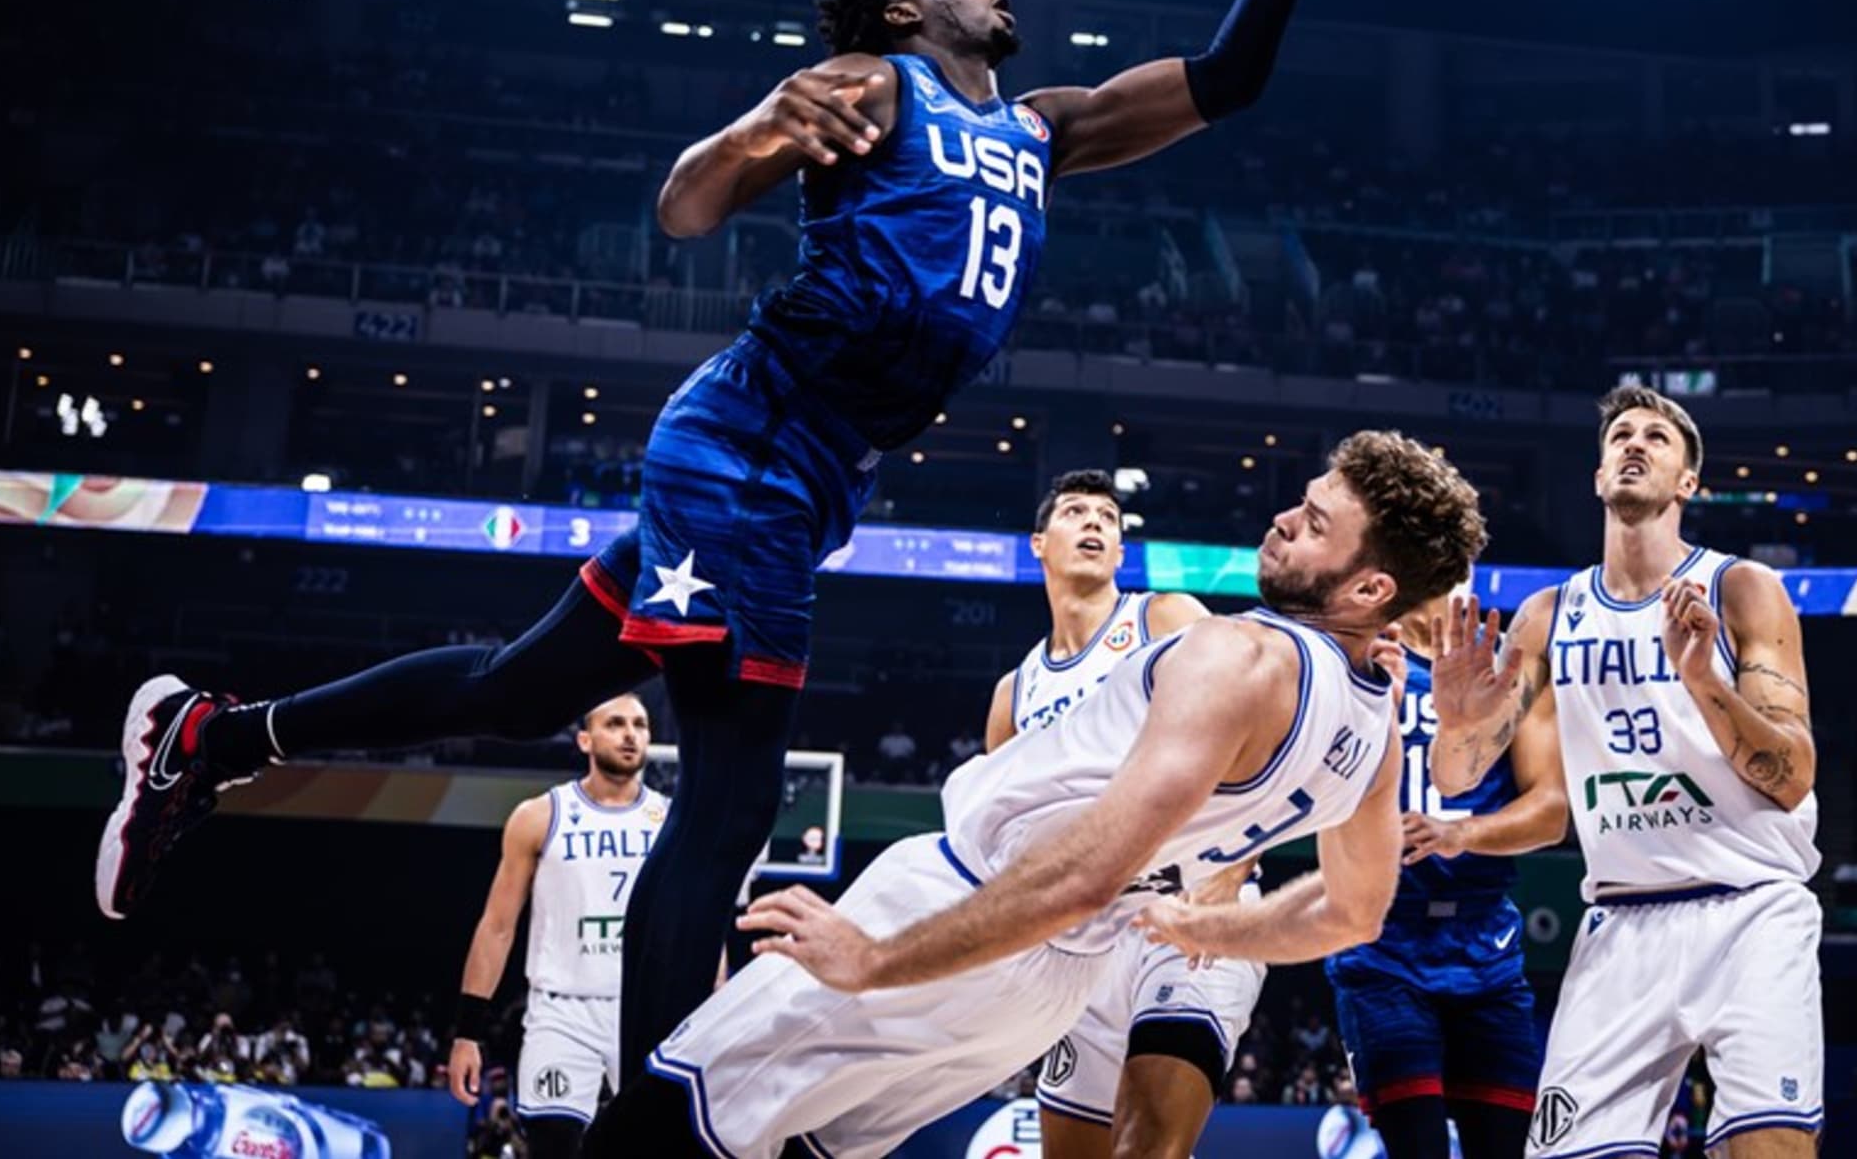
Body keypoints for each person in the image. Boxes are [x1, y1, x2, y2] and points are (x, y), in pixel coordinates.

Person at [94, 0, 1372, 1084]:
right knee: (733, 795)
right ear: (901, 11)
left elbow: (1232, 77)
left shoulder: (1043, 126)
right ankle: (659, 1121)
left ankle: (214, 738)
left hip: (804, 478)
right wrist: (757, 128)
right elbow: (685, 208)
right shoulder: (874, 84)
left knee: (518, 689)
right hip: (748, 446)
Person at [579, 430, 1485, 1159]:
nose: (1286, 519)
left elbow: (1086, 872)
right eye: (1304, 501)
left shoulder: (1236, 653)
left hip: (970, 903)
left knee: (654, 1123)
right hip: (1047, 988)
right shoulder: (1372, 720)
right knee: (796, 1143)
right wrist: (1208, 928)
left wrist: (875, 956)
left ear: (1370, 585)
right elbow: (1356, 911)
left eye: (1316, 523)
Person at [1427, 384, 1824, 1158]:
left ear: (1687, 483)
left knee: (1769, 1147)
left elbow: (1793, 774)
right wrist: (1459, 720)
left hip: (1750, 908)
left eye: (1656, 438)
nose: (1634, 445)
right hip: (1621, 920)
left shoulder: (1740, 589)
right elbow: (1454, 776)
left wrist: (1703, 680)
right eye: (1620, 438)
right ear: (1598, 475)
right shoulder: (1549, 613)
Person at [981, 469, 1237, 1159]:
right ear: (1039, 544)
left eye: (1108, 517)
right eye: (1075, 511)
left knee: (1152, 1140)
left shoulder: (1166, 620)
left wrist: (1231, 871)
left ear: (1122, 551)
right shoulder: (1016, 692)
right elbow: (1005, 840)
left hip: (1185, 910)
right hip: (1076, 941)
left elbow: (1253, 729)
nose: (1095, 522)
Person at [1323, 585, 1564, 1159]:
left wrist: (1462, 833)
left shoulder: (1514, 664)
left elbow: (1552, 812)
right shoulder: (1354, 655)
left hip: (1486, 945)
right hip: (1382, 944)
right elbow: (1304, 791)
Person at [440, 696, 660, 1158]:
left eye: (639, 724)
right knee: (554, 1147)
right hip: (562, 1012)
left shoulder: (672, 820)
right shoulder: (539, 815)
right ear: (585, 739)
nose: (629, 734)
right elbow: (498, 926)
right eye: (615, 723)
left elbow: (701, 926)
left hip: (645, 1011)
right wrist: (467, 1032)